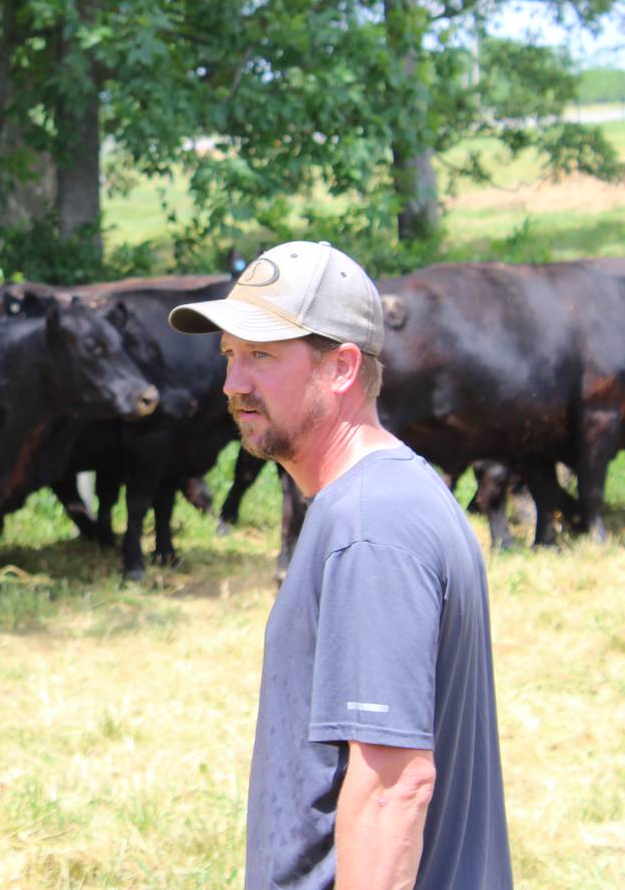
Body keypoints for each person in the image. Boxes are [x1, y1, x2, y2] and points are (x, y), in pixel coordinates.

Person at [168, 241, 511, 890]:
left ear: (343, 367)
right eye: (230, 356)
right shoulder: (381, 498)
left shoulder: (370, 524)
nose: (233, 384)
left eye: (262, 355)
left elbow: (392, 787)